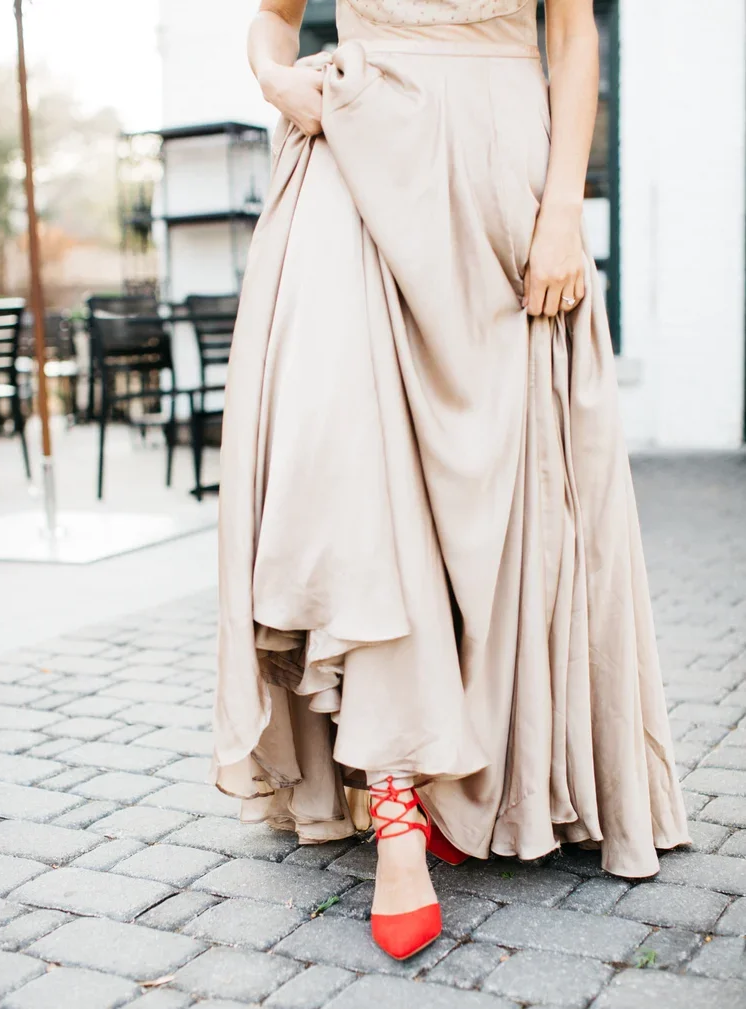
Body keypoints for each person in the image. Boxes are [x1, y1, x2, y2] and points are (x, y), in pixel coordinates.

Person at [213, 0, 690, 961]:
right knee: (348, 464)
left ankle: (486, 772)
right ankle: (394, 809)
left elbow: (570, 32)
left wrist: (564, 206)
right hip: (351, 156)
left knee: (505, 490)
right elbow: (271, 18)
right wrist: (278, 81)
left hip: (498, 171)